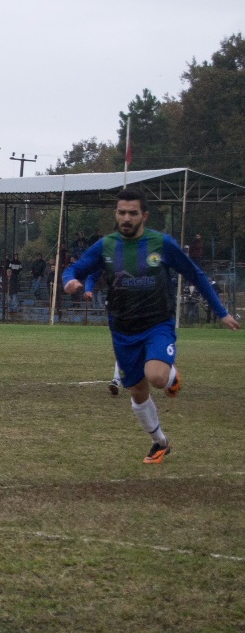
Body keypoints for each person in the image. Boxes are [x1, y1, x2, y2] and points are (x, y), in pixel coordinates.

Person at [63, 188, 239, 464]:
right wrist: (70, 281)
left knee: (156, 376)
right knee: (137, 391)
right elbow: (75, 268)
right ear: (116, 214)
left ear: (144, 215)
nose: (127, 218)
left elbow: (195, 274)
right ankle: (160, 442)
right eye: (122, 212)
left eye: (133, 213)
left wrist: (221, 311)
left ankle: (169, 374)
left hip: (158, 324)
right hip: (122, 330)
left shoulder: (162, 243)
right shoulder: (106, 245)